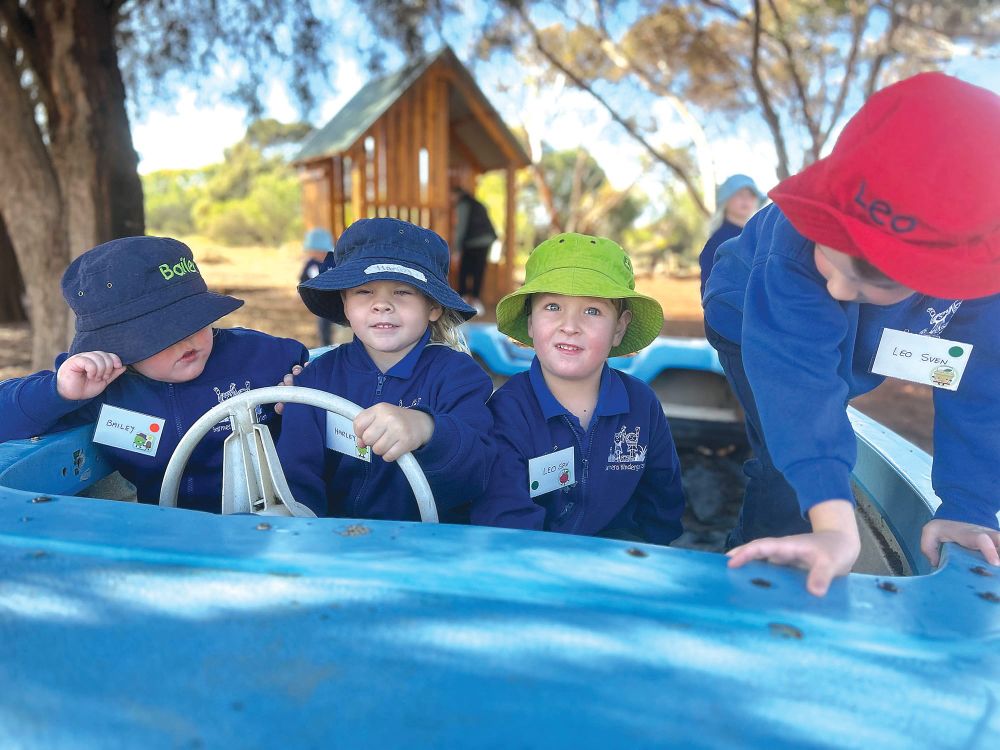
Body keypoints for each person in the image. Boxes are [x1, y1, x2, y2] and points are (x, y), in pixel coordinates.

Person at [702, 72, 1000, 596]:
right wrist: (834, 527)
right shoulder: (794, 251)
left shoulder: (984, 283)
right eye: (829, 245)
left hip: (873, 337)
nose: (838, 287)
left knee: (833, 394)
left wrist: (969, 506)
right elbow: (798, 385)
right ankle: (751, 575)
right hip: (751, 314)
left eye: (870, 278)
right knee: (784, 462)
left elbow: (981, 390)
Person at [0, 236, 309, 512]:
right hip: (165, 531)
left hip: (278, 518)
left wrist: (302, 387)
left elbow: (315, 379)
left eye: (195, 320)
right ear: (114, 345)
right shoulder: (101, 386)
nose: (185, 339)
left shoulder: (260, 356)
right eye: (159, 333)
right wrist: (58, 392)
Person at [471, 233, 685, 545]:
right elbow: (504, 516)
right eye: (553, 306)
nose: (570, 326)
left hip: (618, 563)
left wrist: (640, 557)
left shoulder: (642, 405)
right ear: (530, 322)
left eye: (592, 311)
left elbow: (662, 503)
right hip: (531, 561)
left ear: (620, 327)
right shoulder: (509, 411)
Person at [277, 217, 495, 523]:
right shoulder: (315, 380)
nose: (382, 305)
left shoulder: (460, 376)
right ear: (344, 303)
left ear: (433, 307)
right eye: (364, 291)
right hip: (331, 541)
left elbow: (477, 472)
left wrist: (427, 429)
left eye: (402, 292)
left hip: (429, 542)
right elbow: (296, 479)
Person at [699, 174, 765, 295]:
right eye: (740, 194)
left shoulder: (760, 237)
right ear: (726, 199)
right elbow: (709, 293)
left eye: (751, 195)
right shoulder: (717, 241)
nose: (746, 199)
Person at [451, 185, 497, 314]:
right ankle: (476, 301)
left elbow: (461, 228)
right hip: (486, 240)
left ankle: (463, 300)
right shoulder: (477, 204)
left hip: (472, 242)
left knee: (464, 271)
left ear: (456, 195)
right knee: (478, 271)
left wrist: (456, 249)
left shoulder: (463, 205)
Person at [299, 228, 336, 346]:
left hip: (336, 300)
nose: (314, 254)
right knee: (324, 327)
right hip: (322, 302)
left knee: (340, 327)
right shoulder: (311, 265)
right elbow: (303, 280)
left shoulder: (333, 262)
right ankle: (326, 345)